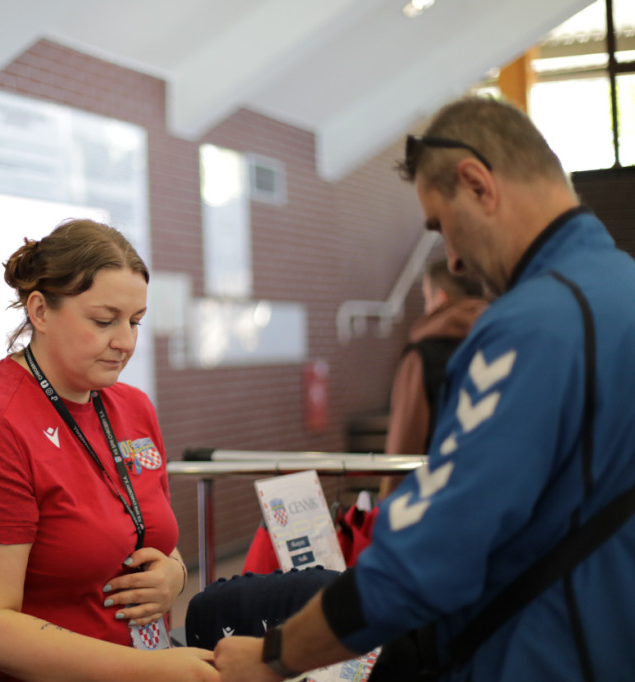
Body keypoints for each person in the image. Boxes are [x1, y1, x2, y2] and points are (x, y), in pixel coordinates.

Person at [215, 95, 635, 681]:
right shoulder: (621, 288)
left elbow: (426, 555)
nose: (454, 261)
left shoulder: (531, 324)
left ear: (477, 184)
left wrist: (272, 655)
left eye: (441, 226)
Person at [0, 218, 217, 681]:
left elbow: (147, 535)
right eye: (104, 321)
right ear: (39, 311)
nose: (125, 342)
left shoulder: (133, 406)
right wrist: (148, 671)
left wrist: (175, 575)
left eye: (135, 322)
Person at [378, 257, 487, 499]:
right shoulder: (503, 338)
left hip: (439, 496)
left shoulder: (422, 354)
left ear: (442, 298)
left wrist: (389, 508)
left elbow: (405, 443)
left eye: (427, 298)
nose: (426, 308)